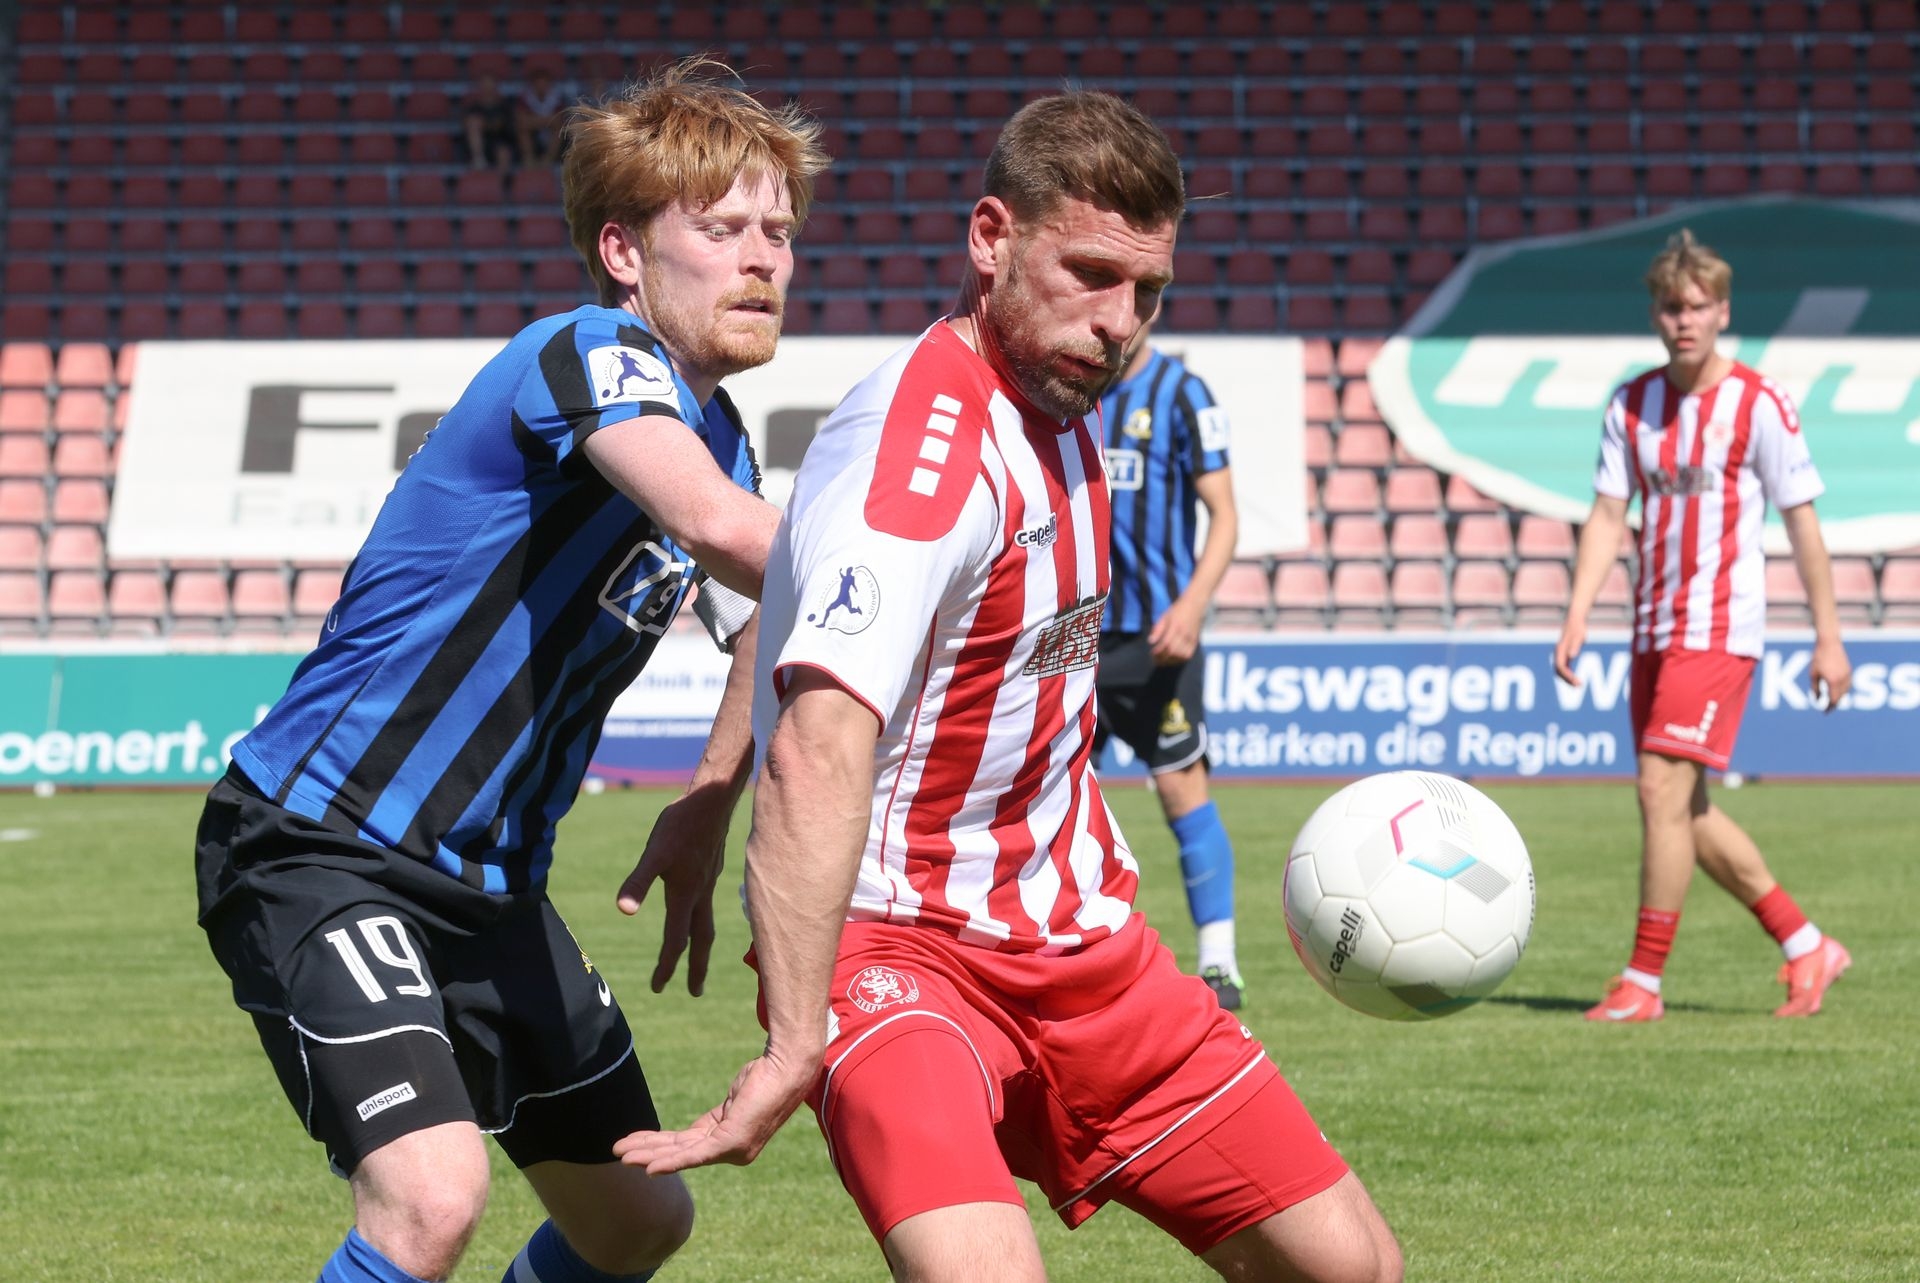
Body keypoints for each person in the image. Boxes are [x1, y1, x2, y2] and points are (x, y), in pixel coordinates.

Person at [616, 92, 1402, 1283]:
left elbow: (788, 594)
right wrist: (792, 1039)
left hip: (1082, 937)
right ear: (992, 237)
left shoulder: (1064, 399)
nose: (1121, 321)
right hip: (900, 947)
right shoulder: (919, 457)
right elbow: (821, 742)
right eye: (1091, 273)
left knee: (1354, 1266)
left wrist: (706, 791)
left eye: (1148, 291)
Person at [194, 60, 826, 1283]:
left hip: (494, 896)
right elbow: (721, 531)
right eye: (723, 228)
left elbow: (764, 613)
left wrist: (707, 798)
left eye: (780, 231)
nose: (763, 258)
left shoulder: (721, 437)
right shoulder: (586, 351)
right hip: (325, 843)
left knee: (638, 1219)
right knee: (432, 1199)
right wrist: (937, 563)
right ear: (623, 251)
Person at [1555, 228, 1854, 1024]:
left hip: (1719, 628)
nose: (1682, 320)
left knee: (1659, 788)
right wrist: (1578, 613)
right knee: (1682, 811)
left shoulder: (1758, 402)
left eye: (1695, 306)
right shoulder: (1632, 403)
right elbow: (1607, 513)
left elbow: (1803, 522)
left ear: (1723, 310)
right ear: (1655, 314)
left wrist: (1828, 636)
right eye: (1668, 307)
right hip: (1651, 628)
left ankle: (1642, 982)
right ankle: (1808, 945)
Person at [1094, 324, 1245, 1008]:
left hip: (1160, 637)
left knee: (1183, 789)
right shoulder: (1068, 388)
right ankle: (1069, 954)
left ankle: (1219, 962)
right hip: (1073, 637)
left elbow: (1225, 516)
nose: (1124, 318)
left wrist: (1192, 605)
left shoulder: (1182, 394)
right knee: (1049, 798)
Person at [461, 75, 518, 171]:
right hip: (480, 143)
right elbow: (467, 124)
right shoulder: (473, 107)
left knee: (503, 153)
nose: (487, 89)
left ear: (495, 87)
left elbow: (503, 126)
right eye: (485, 86)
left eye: (490, 86)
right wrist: (488, 125)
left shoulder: (504, 107)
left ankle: (500, 180)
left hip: (500, 142)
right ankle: (478, 159)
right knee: (474, 122)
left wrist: (486, 125)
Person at [517, 69, 569, 165]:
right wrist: (547, 121)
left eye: (544, 84)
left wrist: (535, 121)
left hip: (551, 136)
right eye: (538, 84)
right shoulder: (525, 97)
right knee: (522, 129)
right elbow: (523, 121)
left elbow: (558, 121)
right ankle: (529, 158)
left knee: (559, 130)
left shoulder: (557, 98)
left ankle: (548, 159)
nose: (541, 87)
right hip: (534, 135)